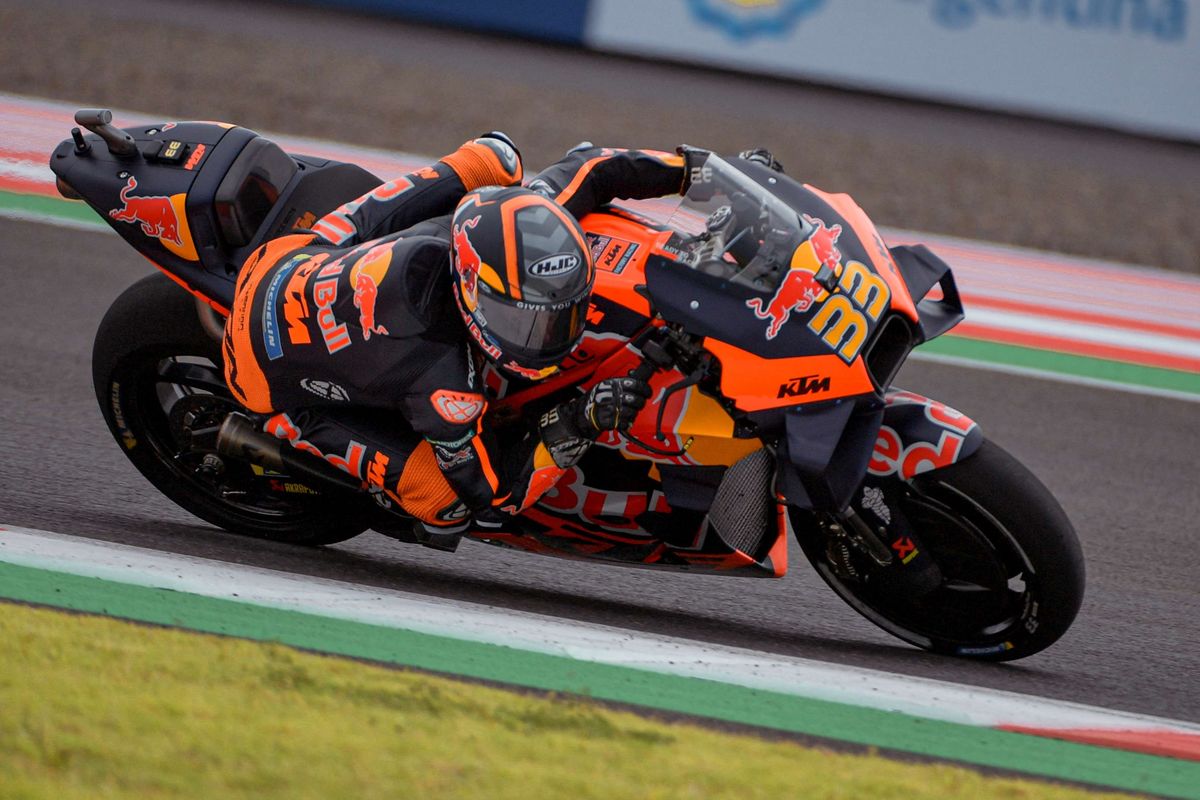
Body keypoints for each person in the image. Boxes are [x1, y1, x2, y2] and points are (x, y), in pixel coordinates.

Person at [222, 134, 716, 548]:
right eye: (523, 321)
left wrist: (696, 172)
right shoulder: (444, 388)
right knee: (447, 505)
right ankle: (272, 439)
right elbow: (492, 492)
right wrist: (581, 419)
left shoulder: (512, 222)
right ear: (472, 292)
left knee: (495, 159)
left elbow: (594, 167)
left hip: (297, 253)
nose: (547, 337)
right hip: (264, 372)